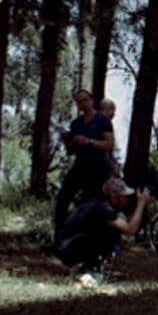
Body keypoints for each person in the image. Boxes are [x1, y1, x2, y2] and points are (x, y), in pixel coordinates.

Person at [55, 176, 150, 282]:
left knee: (112, 231)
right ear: (114, 197)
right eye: (124, 196)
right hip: (70, 249)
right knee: (109, 232)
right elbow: (130, 230)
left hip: (67, 246)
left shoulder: (100, 203)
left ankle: (91, 266)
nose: (127, 199)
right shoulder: (104, 208)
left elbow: (124, 222)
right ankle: (86, 269)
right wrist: (141, 204)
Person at [52, 88, 116, 234]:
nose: (83, 104)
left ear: (92, 101)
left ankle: (87, 241)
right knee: (63, 199)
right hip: (80, 166)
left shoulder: (102, 120)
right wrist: (67, 140)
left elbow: (109, 144)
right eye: (79, 102)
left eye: (85, 100)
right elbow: (71, 151)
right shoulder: (76, 124)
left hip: (98, 169)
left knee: (88, 204)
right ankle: (60, 237)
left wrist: (88, 141)